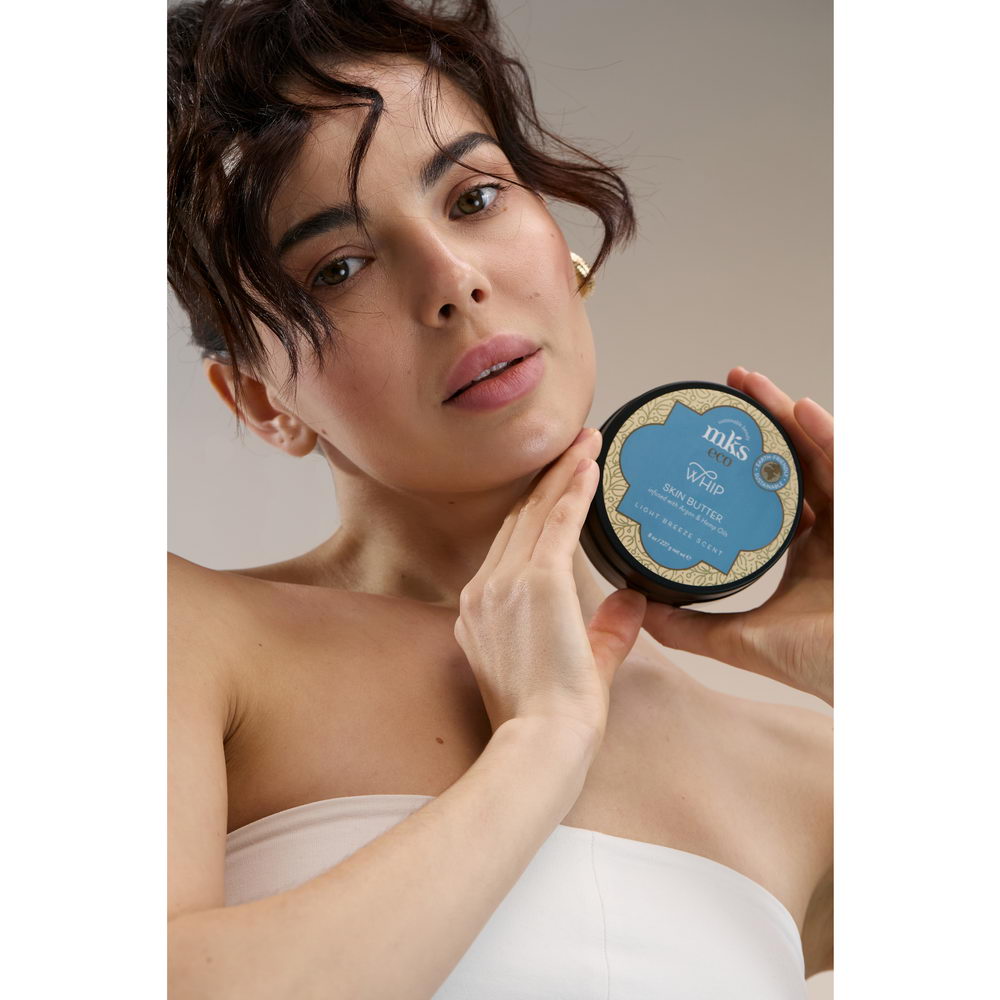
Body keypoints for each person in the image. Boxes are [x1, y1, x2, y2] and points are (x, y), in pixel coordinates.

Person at [167, 1, 833, 996]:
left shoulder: (809, 774)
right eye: (339, 266)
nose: (453, 279)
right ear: (262, 399)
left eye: (474, 198)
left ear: (559, 243)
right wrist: (539, 746)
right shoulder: (181, 636)